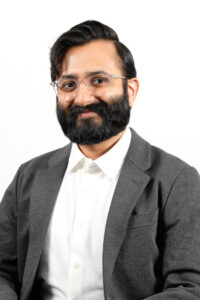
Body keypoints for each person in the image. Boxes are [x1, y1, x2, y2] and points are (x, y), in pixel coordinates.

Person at [0, 20, 200, 300]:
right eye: (69, 84)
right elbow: (3, 272)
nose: (82, 98)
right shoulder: (29, 177)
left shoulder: (177, 180)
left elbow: (189, 288)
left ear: (130, 90)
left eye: (99, 80)